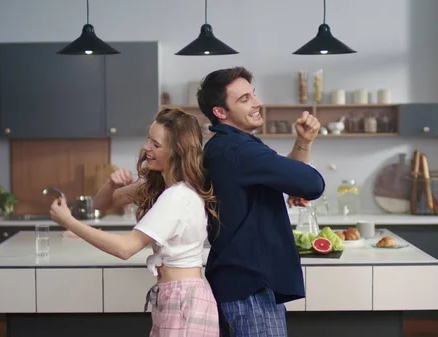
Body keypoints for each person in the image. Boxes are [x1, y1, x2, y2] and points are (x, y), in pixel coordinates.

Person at [49, 107, 220, 337]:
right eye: (148, 139)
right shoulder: (163, 187)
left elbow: (125, 248)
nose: (146, 148)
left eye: (156, 145)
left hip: (183, 301)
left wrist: (69, 222)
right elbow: (102, 204)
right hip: (175, 296)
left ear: (176, 152)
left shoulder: (178, 196)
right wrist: (111, 184)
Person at [197, 67, 326, 337]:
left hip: (242, 283)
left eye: (253, 95)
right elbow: (312, 184)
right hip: (250, 289)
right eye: (245, 99)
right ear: (220, 112)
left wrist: (303, 142)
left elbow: (290, 180)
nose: (258, 103)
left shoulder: (227, 146)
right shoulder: (238, 149)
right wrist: (297, 181)